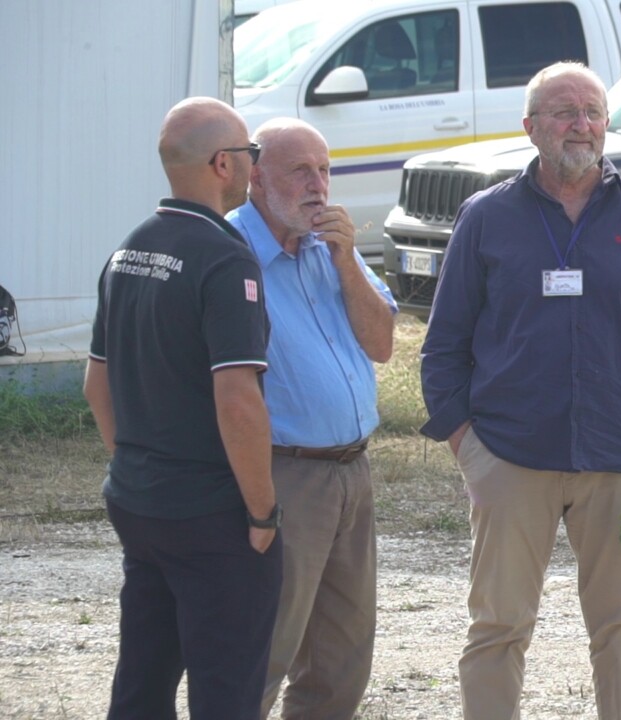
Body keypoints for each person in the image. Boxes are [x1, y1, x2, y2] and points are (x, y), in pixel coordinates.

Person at [419, 61, 621, 720]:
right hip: (510, 452)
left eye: (592, 111)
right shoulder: (486, 217)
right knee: (498, 627)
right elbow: (443, 348)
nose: (580, 124)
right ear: (531, 128)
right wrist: (471, 448)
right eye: (563, 111)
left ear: (607, 124)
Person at [83, 96, 281, 720]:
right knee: (226, 689)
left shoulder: (129, 249)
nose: (255, 165)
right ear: (224, 164)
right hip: (211, 513)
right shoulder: (224, 258)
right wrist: (263, 512)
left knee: (143, 678)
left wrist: (139, 466)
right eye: (251, 154)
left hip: (140, 500)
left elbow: (97, 383)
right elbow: (238, 401)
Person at [226, 117, 397, 720]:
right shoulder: (231, 253)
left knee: (342, 654)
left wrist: (348, 259)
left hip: (351, 471)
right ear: (255, 177)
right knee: (265, 647)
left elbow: (381, 343)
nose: (318, 186)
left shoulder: (331, 245)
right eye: (301, 171)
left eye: (325, 170)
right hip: (283, 473)